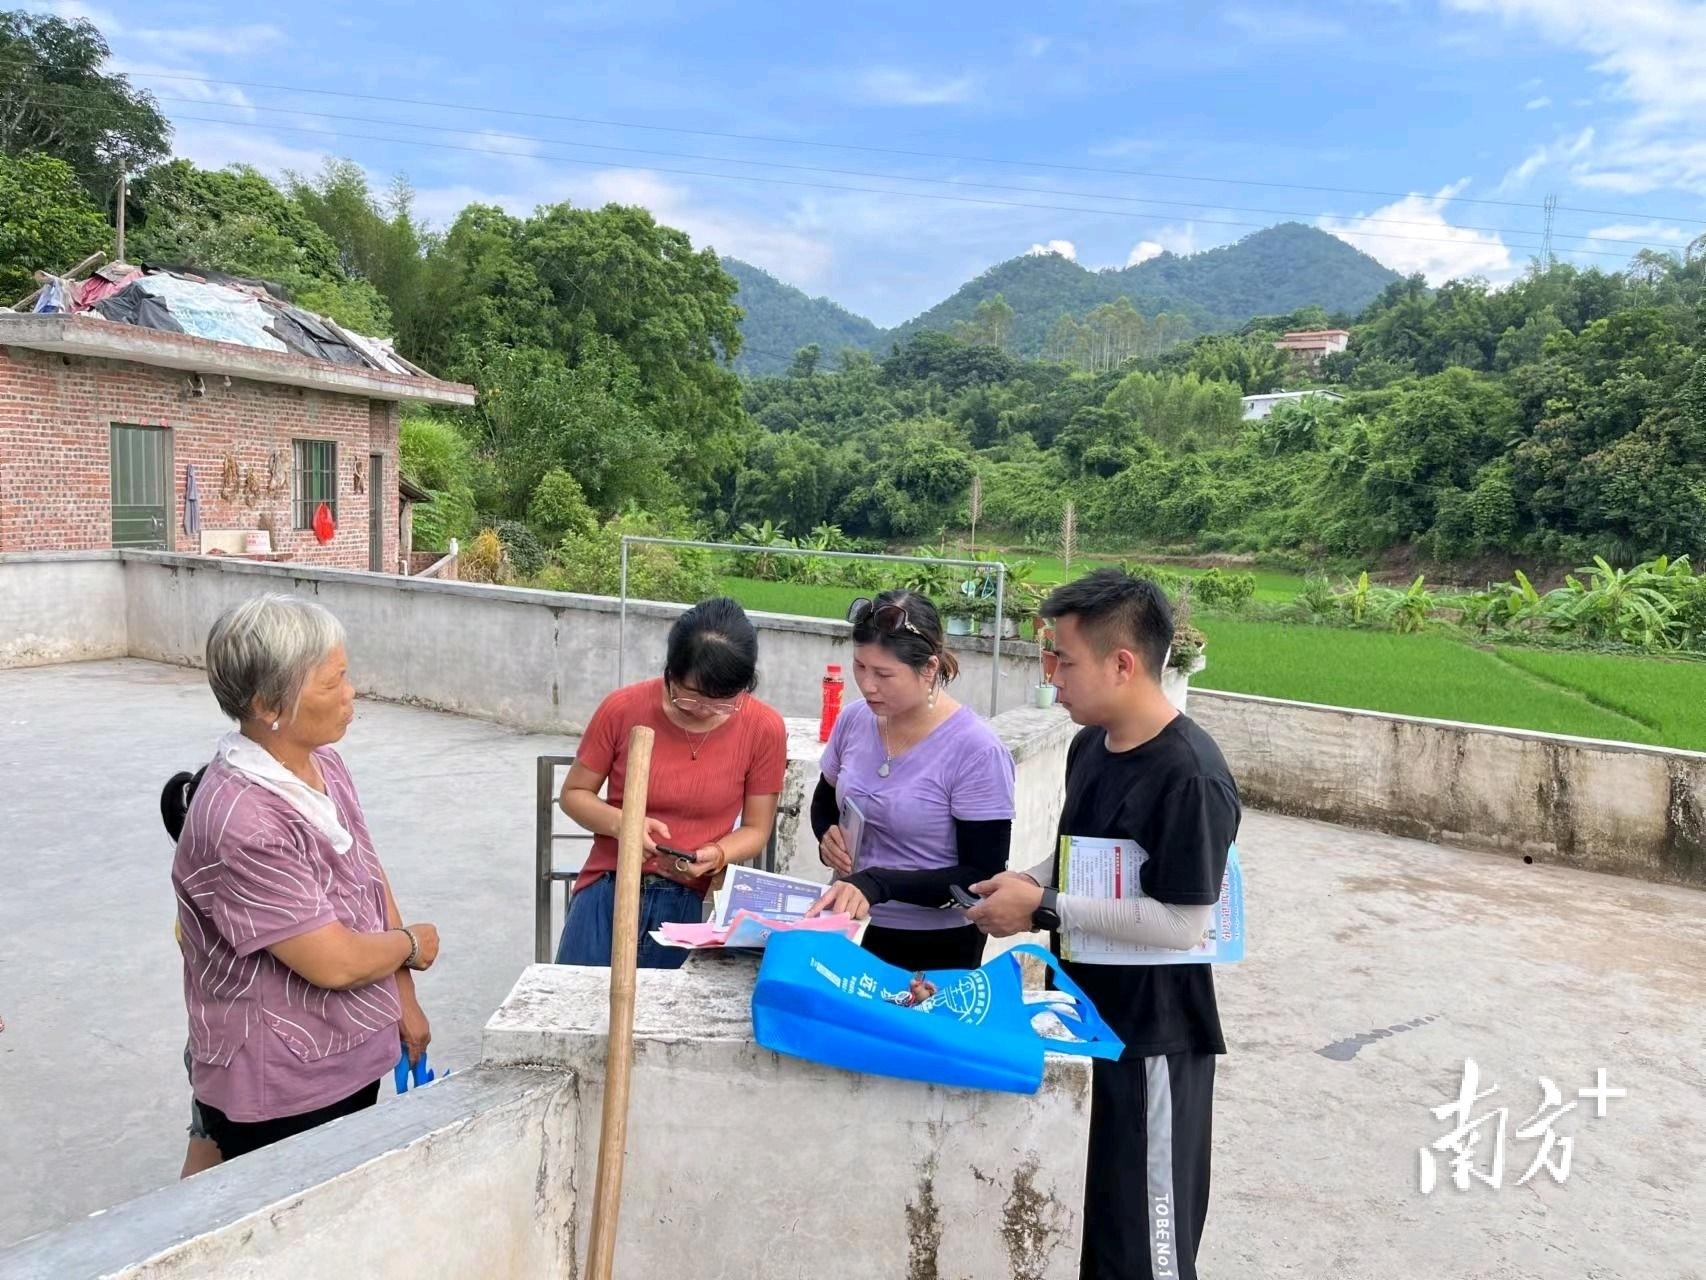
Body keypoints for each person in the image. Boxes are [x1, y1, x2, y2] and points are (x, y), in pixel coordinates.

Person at [966, 569, 1239, 1280]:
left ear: (1123, 664)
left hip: (1152, 1041)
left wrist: (1044, 907)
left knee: (1145, 1247)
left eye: (1065, 659)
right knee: (1090, 1235)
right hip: (1083, 1020)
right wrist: (1028, 881)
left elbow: (1182, 921)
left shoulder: (1190, 777)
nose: (1050, 675)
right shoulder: (1091, 744)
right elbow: (1077, 861)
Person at [172, 595, 440, 1162]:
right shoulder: (243, 820)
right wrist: (412, 945)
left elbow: (366, 872)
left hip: (348, 1050)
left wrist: (402, 999)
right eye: (333, 682)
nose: (351, 694)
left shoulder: (323, 763)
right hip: (285, 1082)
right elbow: (335, 961)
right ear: (272, 704)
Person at [556, 597, 787, 969]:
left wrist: (720, 853)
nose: (704, 711)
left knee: (663, 1020)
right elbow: (574, 794)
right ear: (670, 670)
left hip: (686, 898)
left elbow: (757, 828)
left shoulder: (763, 729)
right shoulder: (623, 708)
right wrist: (625, 825)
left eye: (722, 702)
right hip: (608, 883)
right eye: (689, 697)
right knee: (577, 1011)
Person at [807, 590, 1015, 971]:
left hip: (934, 946)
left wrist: (879, 884)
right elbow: (825, 800)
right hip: (848, 924)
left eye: (884, 674)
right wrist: (827, 838)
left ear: (929, 669)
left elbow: (980, 875)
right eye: (860, 667)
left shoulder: (976, 751)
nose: (868, 685)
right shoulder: (855, 720)